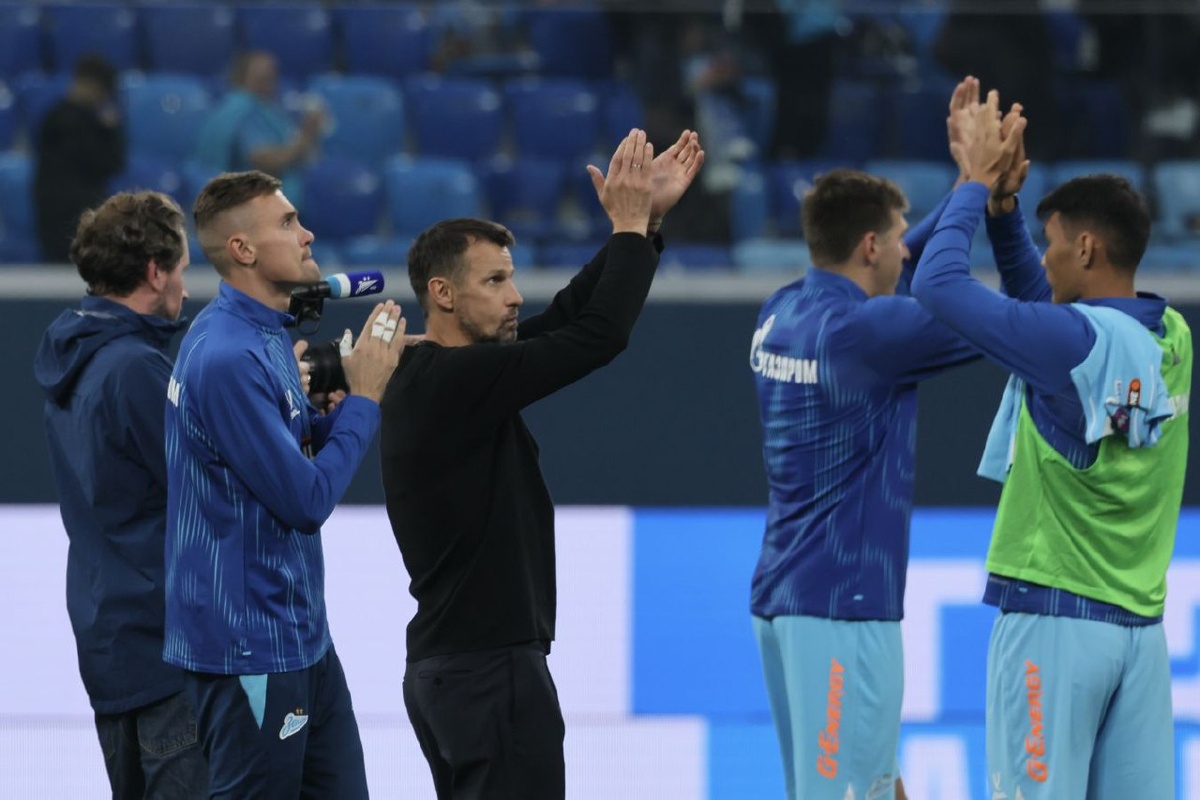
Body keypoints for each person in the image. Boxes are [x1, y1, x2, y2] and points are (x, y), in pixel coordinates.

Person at [380, 128, 703, 799]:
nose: (514, 296)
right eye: (495, 280)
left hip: (458, 672)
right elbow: (597, 336)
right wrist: (626, 228)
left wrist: (644, 226)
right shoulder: (453, 382)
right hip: (487, 674)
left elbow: (564, 318)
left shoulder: (445, 373)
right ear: (442, 293)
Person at [911, 90, 1190, 799]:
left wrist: (974, 183)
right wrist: (1007, 214)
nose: (1046, 257)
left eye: (1054, 243)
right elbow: (1051, 315)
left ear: (1086, 248)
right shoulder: (1171, 337)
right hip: (1139, 632)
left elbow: (937, 284)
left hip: (1054, 622)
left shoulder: (1070, 344)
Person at [746, 79, 992, 800]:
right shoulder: (871, 333)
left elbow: (898, 252)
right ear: (869, 245)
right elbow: (971, 306)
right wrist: (979, 189)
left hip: (783, 598)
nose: (905, 252)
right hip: (845, 607)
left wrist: (963, 188)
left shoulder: (781, 310)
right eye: (896, 238)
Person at [163, 170, 405, 798]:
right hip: (250, 646)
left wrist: (330, 418)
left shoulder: (264, 333)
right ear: (242, 249)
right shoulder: (228, 357)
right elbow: (305, 500)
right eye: (288, 222)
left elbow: (280, 449)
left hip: (300, 638)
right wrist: (366, 398)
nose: (308, 234)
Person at [33, 190, 205, 798]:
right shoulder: (134, 369)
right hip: (165, 652)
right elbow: (212, 489)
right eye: (182, 268)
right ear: (155, 273)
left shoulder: (76, 356)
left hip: (112, 647)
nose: (187, 287)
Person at [193, 51, 323, 210]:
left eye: (272, 77)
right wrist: (307, 135)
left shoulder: (243, 107)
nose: (269, 83)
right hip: (247, 205)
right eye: (262, 78)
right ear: (242, 78)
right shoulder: (245, 111)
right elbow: (266, 161)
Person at [33, 53, 126, 263]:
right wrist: (110, 131)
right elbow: (111, 162)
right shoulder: (87, 125)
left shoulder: (53, 117)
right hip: (75, 214)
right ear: (97, 88)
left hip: (56, 213)